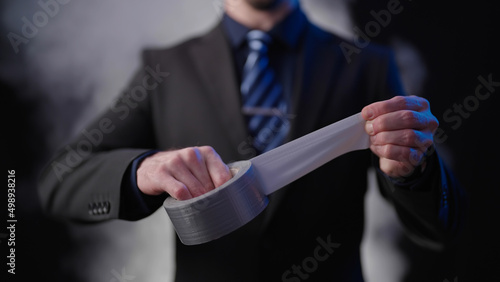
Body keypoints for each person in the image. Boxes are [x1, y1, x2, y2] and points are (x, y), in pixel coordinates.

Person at [38, 0, 464, 281]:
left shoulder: (366, 66)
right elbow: (58, 181)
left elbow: (443, 228)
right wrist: (141, 169)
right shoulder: (164, 68)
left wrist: (414, 170)